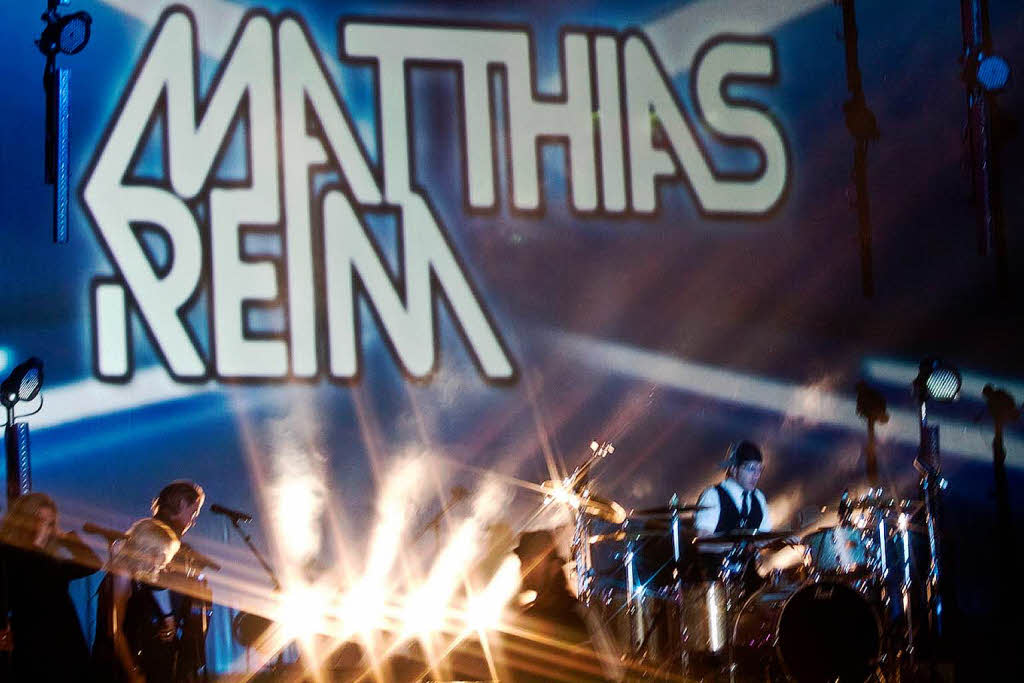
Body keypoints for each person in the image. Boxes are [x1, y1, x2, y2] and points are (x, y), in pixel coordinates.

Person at [0, 492, 100, 682]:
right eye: (40, 519)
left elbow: (92, 564)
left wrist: (68, 539)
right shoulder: (8, 553)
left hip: (64, 641)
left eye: (50, 522)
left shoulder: (51, 561)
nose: (45, 526)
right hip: (32, 642)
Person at [501, 529, 608, 682]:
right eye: (523, 562)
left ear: (555, 566)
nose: (524, 569)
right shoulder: (528, 617)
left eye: (531, 561)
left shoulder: (576, 615)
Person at [91, 517, 181, 683]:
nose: (162, 563)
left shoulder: (136, 574)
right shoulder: (122, 573)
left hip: (127, 656)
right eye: (161, 555)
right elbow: (115, 631)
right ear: (148, 550)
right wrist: (132, 671)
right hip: (115, 664)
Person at [150, 481, 210, 682]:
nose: (193, 521)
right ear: (182, 504)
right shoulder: (161, 540)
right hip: (156, 640)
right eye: (193, 513)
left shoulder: (153, 535)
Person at [695, 440, 772, 537]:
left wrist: (781, 540)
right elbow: (703, 543)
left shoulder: (758, 497)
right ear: (734, 470)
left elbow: (765, 536)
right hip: (721, 553)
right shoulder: (712, 495)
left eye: (760, 469)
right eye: (751, 469)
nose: (757, 475)